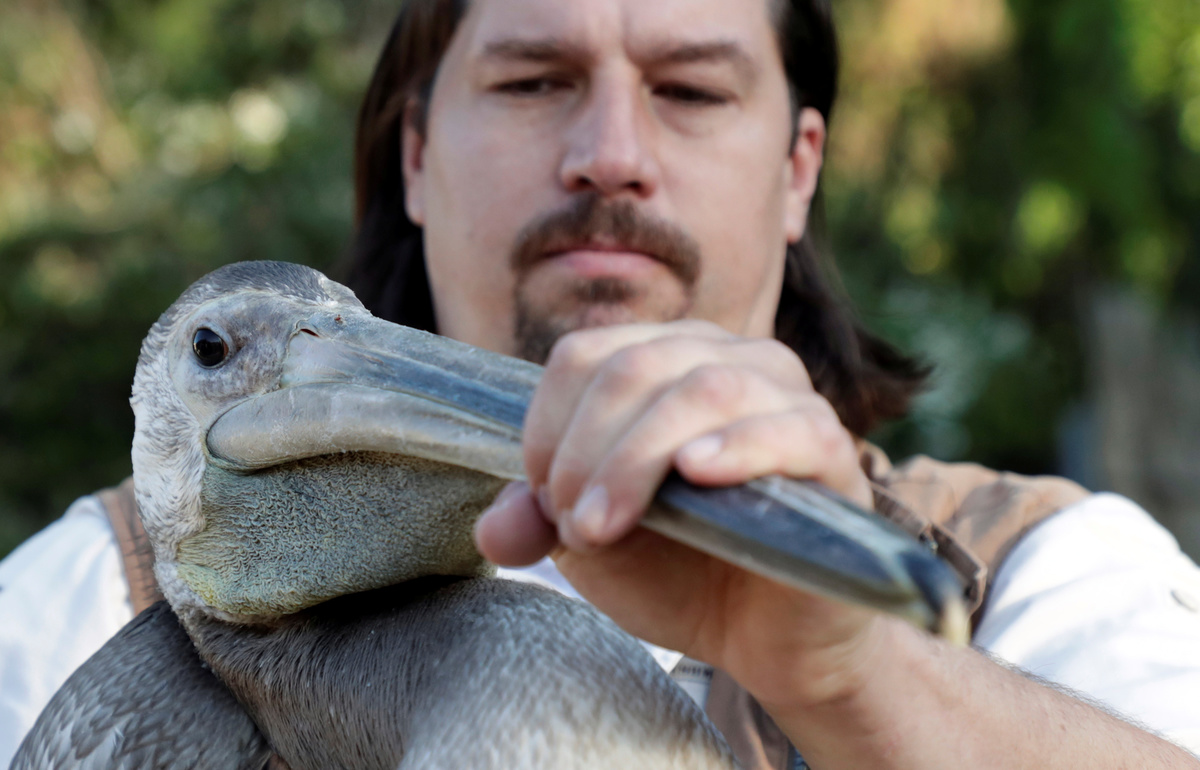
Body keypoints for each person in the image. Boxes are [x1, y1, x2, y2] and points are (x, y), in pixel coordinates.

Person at [2, 0, 1199, 766]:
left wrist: (854, 671)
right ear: (416, 156)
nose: (610, 156)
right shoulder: (83, 601)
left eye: (691, 89)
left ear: (799, 170)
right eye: (533, 81)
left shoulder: (1040, 569)